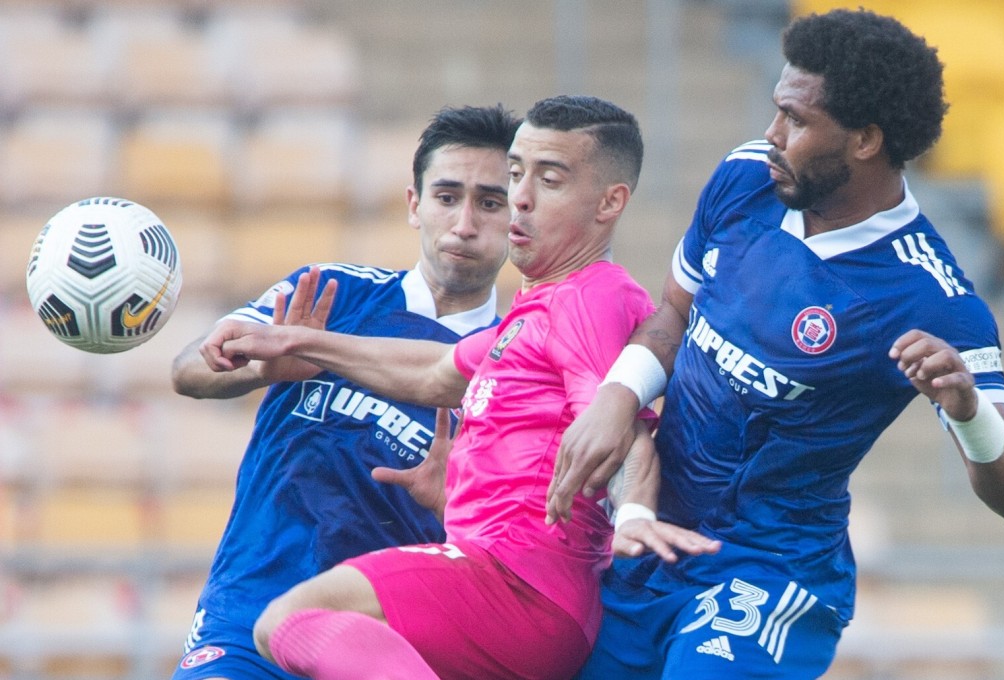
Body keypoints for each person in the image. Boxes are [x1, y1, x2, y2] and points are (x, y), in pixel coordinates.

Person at [545, 9, 1004, 679]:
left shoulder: (932, 297)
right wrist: (617, 398)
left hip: (770, 569)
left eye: (796, 121)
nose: (771, 134)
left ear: (865, 140)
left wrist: (969, 413)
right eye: (776, 110)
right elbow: (672, 315)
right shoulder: (745, 180)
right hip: (649, 534)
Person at [198, 94, 721, 680]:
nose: (521, 197)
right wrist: (299, 344)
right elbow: (434, 371)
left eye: (546, 181)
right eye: (517, 174)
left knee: (292, 618)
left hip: (513, 582)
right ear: (415, 203)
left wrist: (631, 516)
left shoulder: (592, 297)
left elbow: (617, 429)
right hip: (515, 593)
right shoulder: (533, 311)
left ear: (610, 203)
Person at [167, 103, 520, 680]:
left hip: (385, 647)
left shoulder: (517, 361)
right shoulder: (334, 293)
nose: (464, 223)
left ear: (518, 216)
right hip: (247, 614)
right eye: (447, 196)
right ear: (414, 205)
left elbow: (506, 550)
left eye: (490, 202)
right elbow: (187, 371)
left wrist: (455, 502)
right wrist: (263, 371)